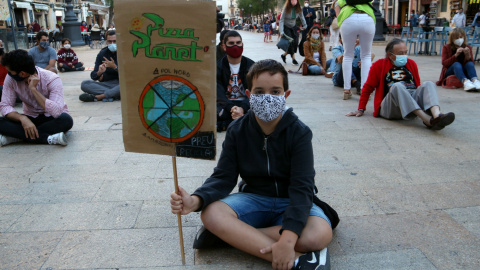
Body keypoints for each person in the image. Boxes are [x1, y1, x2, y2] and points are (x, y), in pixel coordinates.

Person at [171, 59, 337, 270]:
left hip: (291, 201)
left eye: (275, 91)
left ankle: (230, 236)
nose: (267, 98)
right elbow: (223, 176)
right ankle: (297, 260)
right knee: (211, 213)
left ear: (286, 95)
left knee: (319, 233)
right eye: (259, 92)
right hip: (254, 199)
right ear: (249, 95)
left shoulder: (299, 132)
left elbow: (302, 187)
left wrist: (287, 238)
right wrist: (195, 200)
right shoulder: (237, 130)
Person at [346, 39, 455, 130]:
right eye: (400, 53)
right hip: (391, 105)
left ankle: (437, 116)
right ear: (390, 55)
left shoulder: (411, 64)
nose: (404, 55)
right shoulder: (379, 65)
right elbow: (367, 88)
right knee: (397, 86)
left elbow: (418, 85)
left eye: (405, 52)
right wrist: (361, 108)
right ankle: (427, 120)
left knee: (429, 84)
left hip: (411, 100)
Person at [0, 49, 73, 147]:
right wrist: (23, 118)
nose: (8, 74)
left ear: (22, 74)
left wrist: (33, 90)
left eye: (10, 72)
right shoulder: (11, 79)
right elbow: (5, 106)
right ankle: (48, 138)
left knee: (66, 120)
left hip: (50, 118)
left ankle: (17, 136)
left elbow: (56, 112)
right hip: (30, 117)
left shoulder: (51, 78)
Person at [336, 0, 375, 100]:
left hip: (348, 18)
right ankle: (364, 90)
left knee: (348, 55)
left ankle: (346, 90)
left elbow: (338, 4)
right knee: (366, 55)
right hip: (367, 18)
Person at [216, 31, 255, 132]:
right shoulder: (217, 67)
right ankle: (242, 121)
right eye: (231, 43)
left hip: (246, 103)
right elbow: (218, 94)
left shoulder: (252, 66)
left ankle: (227, 124)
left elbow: (255, 92)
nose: (235, 46)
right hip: (226, 105)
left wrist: (242, 108)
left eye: (238, 43)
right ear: (224, 46)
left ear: (242, 45)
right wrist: (232, 107)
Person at [80, 31, 119, 102]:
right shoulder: (102, 53)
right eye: (110, 41)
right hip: (107, 84)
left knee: (128, 86)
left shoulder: (124, 52)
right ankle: (114, 94)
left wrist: (115, 67)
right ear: (106, 42)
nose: (112, 44)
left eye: (114, 41)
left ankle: (99, 97)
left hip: (120, 83)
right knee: (85, 84)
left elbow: (129, 75)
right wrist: (99, 72)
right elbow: (93, 76)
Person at [279, 0, 307, 65]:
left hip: (293, 26)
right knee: (290, 42)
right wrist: (281, 31)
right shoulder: (286, 8)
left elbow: (302, 17)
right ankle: (293, 59)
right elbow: (281, 20)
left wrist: (305, 25)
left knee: (295, 42)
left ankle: (284, 55)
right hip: (286, 26)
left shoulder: (299, 8)